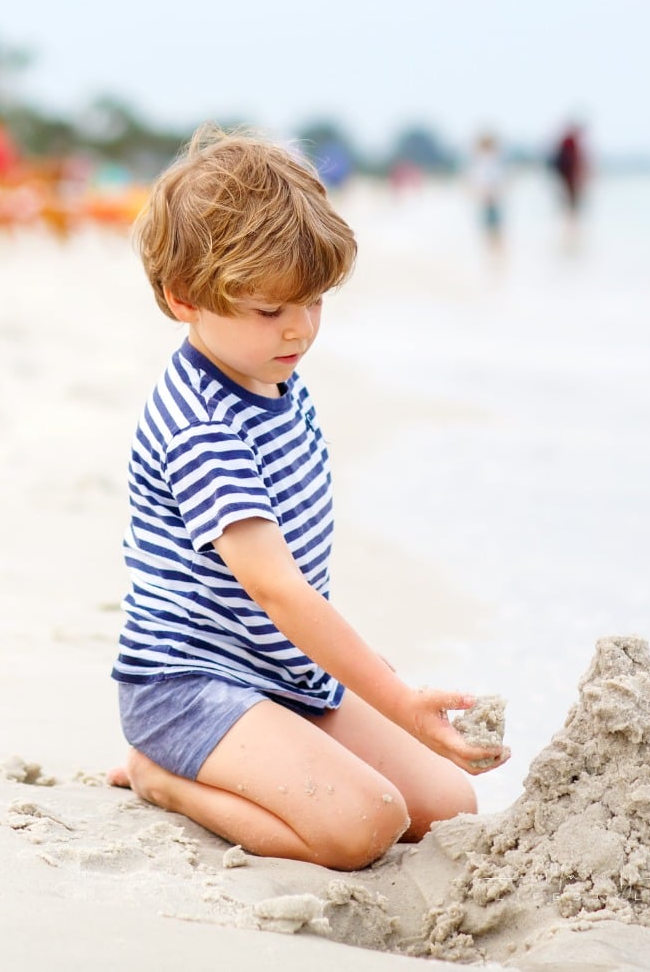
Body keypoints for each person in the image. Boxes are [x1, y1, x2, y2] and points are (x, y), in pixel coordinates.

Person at [108, 126, 510, 871]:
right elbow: (279, 591)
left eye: (315, 302)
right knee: (364, 825)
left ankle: (268, 749)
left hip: (279, 673)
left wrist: (358, 680)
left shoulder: (273, 377)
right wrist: (396, 696)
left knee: (449, 805)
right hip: (190, 687)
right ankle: (161, 776)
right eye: (271, 311)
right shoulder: (203, 425)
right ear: (183, 298)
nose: (299, 328)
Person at [468, 131, 506, 257]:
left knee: (491, 231)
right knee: (493, 231)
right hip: (489, 200)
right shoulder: (487, 161)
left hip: (489, 200)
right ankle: (494, 256)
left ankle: (493, 256)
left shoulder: (484, 161)